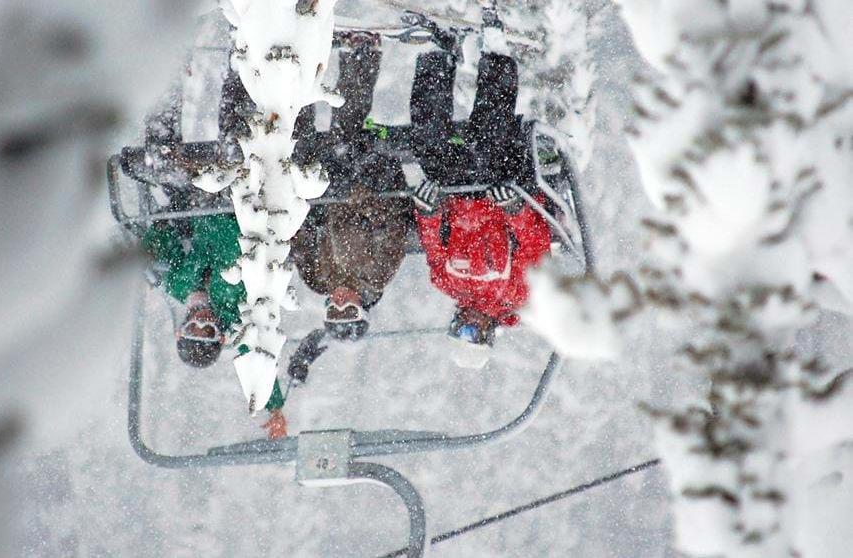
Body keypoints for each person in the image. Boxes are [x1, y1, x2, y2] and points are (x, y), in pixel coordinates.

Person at [137, 77, 289, 440]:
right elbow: (255, 353)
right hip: (240, 202)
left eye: (194, 329)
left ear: (181, 328)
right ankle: (246, 67)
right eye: (210, 332)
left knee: (159, 161)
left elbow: (161, 234)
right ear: (221, 336)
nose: (204, 323)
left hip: (200, 201)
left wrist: (149, 253)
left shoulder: (176, 284)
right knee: (232, 146)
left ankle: (167, 75)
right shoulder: (236, 310)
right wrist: (273, 405)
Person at [407, 7, 552, 354]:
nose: (465, 324)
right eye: (472, 333)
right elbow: (535, 246)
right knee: (489, 146)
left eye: (457, 330)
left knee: (428, 147)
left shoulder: (445, 282)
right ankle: (496, 50)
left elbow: (432, 239)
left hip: (456, 192)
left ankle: (439, 53)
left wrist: (427, 211)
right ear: (488, 333)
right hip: (499, 192)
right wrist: (515, 210)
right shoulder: (518, 293)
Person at [290, 31, 413, 342]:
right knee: (345, 140)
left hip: (325, 192)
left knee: (295, 150)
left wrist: (301, 204)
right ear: (363, 308)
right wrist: (359, 198)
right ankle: (360, 52)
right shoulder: (377, 273)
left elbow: (298, 236)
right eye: (348, 311)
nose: (340, 303)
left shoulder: (317, 279)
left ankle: (295, 65)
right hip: (369, 183)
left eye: (333, 311)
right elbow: (393, 223)